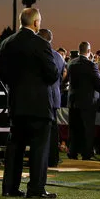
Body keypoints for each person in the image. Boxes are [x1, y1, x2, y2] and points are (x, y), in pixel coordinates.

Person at [0, 8, 59, 199]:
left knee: (15, 147)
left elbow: (3, 74)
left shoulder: (7, 43)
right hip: (39, 105)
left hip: (17, 103)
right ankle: (36, 188)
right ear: (35, 23)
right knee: (39, 148)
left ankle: (9, 187)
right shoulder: (40, 44)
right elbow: (52, 73)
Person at [66, 41, 100, 161]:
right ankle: (87, 153)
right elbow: (98, 84)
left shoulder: (71, 63)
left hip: (73, 101)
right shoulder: (91, 65)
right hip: (88, 102)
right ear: (88, 51)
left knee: (74, 128)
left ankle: (72, 152)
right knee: (87, 129)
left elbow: (65, 80)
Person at [37, 28, 66, 168]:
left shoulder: (42, 54)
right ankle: (53, 159)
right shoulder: (59, 57)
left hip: (43, 96)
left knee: (43, 131)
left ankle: (42, 159)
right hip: (55, 97)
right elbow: (60, 78)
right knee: (54, 130)